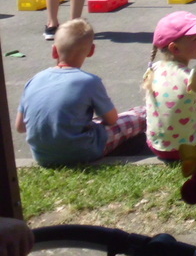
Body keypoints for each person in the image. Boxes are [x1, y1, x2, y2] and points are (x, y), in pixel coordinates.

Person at [16, 19, 146, 167]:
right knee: (139, 115)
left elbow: (20, 127)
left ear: (54, 51)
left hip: (42, 156)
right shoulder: (89, 81)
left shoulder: (34, 80)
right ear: (91, 51)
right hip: (82, 151)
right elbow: (112, 119)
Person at [142, 11, 196, 161]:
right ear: (175, 48)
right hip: (192, 147)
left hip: (157, 147)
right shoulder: (194, 76)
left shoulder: (153, 69)